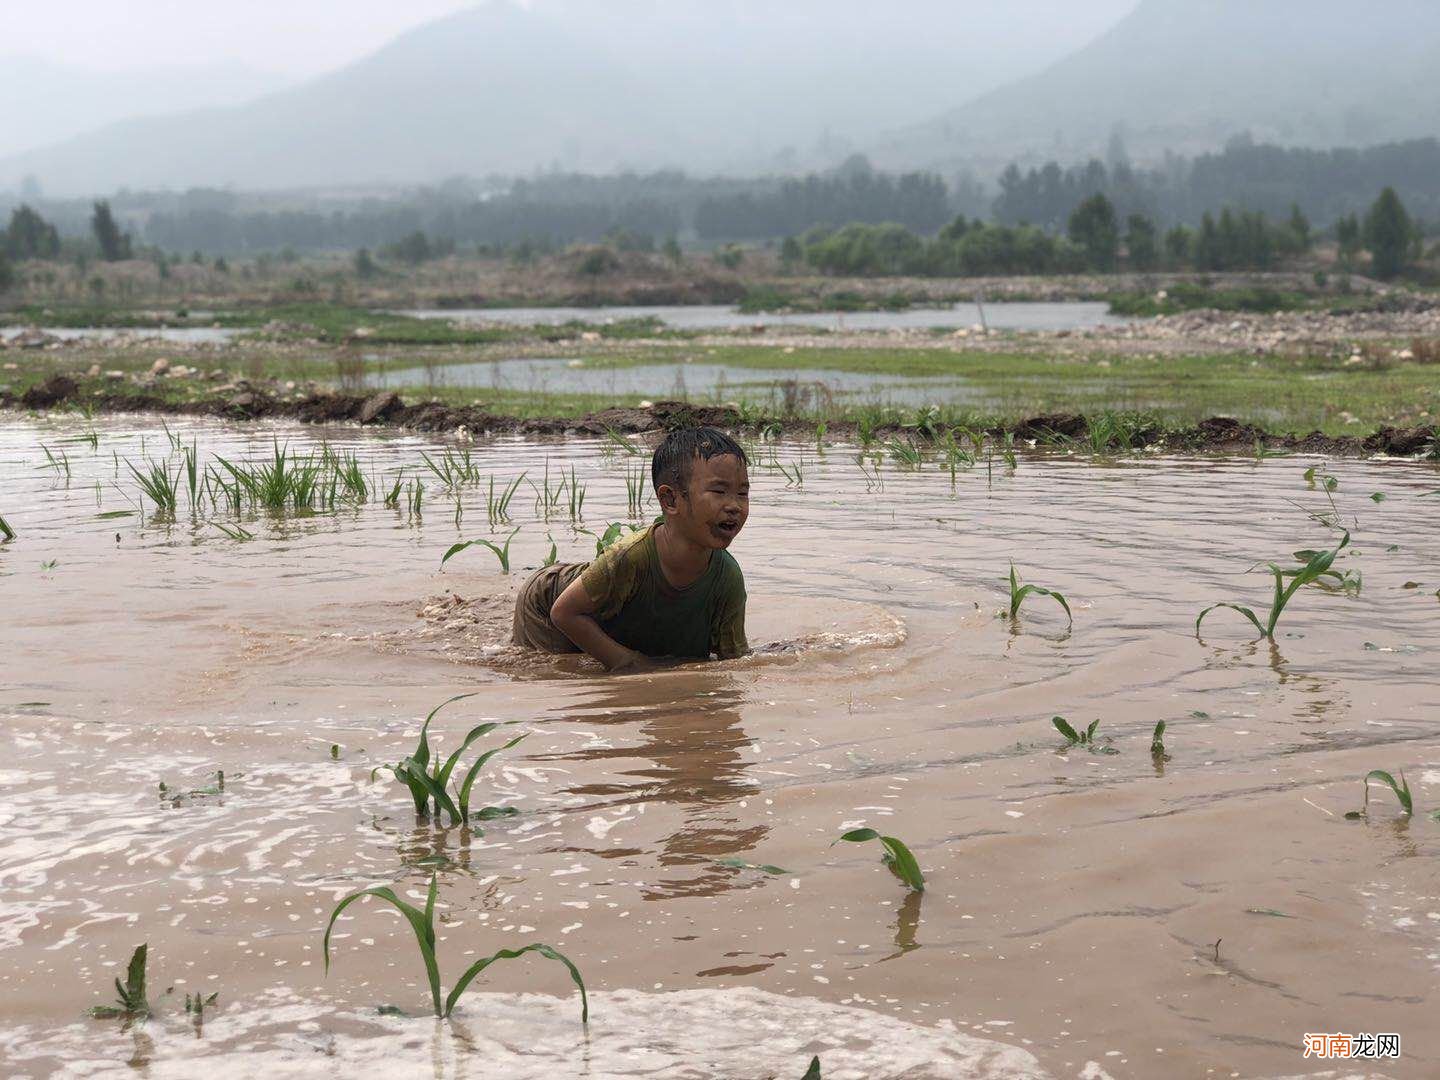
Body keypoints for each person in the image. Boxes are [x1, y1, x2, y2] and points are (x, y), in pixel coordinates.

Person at [511, 426, 750, 669]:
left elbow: (732, 661)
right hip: (549, 601)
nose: (735, 506)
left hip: (609, 609)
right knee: (555, 673)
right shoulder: (631, 557)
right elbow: (563, 613)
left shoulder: (727, 577)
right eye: (719, 491)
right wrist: (625, 661)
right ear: (670, 500)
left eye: (742, 493)